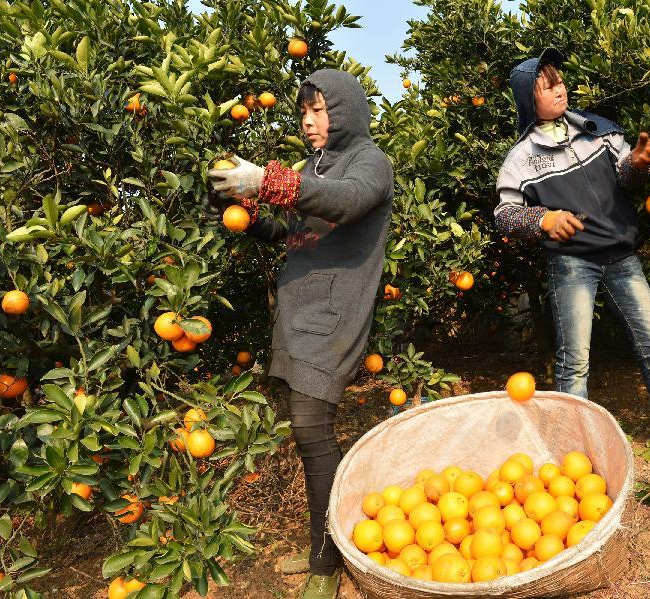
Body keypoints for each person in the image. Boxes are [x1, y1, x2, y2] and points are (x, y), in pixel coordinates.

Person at [206, 69, 394, 599]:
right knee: (307, 431)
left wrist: (266, 181)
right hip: (297, 310)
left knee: (313, 430)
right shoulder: (315, 165)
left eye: (320, 110)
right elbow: (294, 232)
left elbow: (348, 201)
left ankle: (327, 559)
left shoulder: (369, 161)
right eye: (305, 112)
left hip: (332, 314)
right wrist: (241, 212)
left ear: (347, 110)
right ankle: (324, 541)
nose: (309, 122)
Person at [494, 48, 650, 449]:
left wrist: (637, 165)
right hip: (572, 263)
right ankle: (571, 451)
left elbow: (628, 181)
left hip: (622, 256)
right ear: (527, 100)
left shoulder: (598, 130)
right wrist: (542, 219)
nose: (558, 89)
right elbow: (504, 214)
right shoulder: (520, 159)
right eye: (545, 86)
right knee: (575, 362)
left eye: (559, 80)